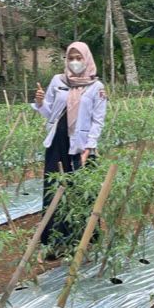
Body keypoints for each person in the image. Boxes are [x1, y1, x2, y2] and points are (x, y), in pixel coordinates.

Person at [32, 41, 108, 258]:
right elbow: (49, 112)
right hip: (58, 143)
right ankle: (53, 241)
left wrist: (89, 147)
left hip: (81, 146)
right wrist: (39, 103)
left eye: (79, 57)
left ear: (87, 58)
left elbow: (98, 120)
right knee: (54, 187)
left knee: (81, 191)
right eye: (71, 57)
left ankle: (82, 239)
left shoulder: (97, 87)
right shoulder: (58, 81)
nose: (74, 62)